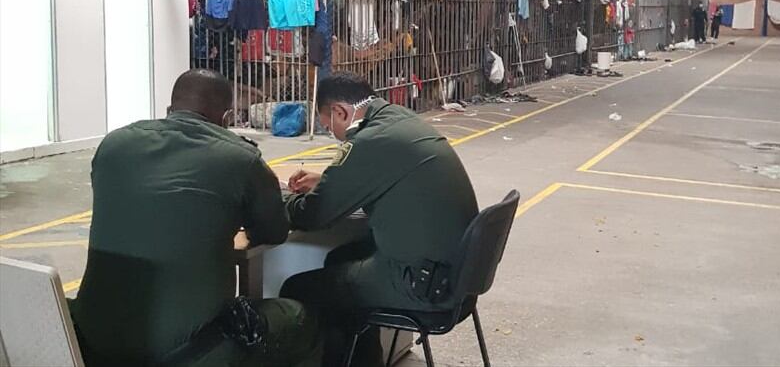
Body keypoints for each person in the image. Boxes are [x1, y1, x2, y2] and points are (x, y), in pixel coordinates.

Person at [69, 69, 319, 367]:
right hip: (189, 350)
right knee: (300, 319)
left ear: (168, 109)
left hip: (92, 340)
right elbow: (274, 231)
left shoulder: (114, 144)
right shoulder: (241, 159)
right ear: (227, 119)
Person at [279, 72, 480, 367]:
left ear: (340, 112)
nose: (333, 133)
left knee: (299, 289)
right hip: (456, 277)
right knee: (340, 260)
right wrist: (327, 181)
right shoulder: (398, 119)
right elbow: (383, 174)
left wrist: (280, 196)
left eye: (328, 125)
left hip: (422, 285)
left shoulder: (369, 140)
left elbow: (312, 215)